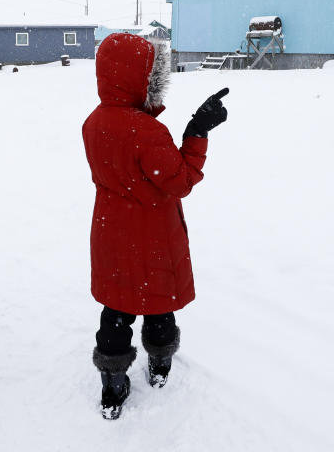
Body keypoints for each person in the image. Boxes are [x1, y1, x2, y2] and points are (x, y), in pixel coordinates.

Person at [81, 33, 229, 419]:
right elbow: (179, 180)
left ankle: (113, 384)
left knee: (116, 306)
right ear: (140, 79)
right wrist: (197, 133)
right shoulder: (146, 131)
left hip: (111, 232)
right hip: (152, 236)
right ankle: (160, 365)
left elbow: (124, 162)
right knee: (157, 304)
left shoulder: (94, 121)